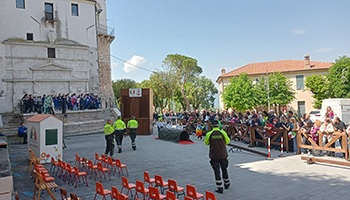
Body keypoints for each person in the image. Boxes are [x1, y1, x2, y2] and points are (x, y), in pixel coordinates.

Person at [204, 120, 230, 194]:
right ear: (218, 125)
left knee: (216, 171)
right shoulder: (223, 133)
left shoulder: (209, 134)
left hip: (214, 155)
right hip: (223, 154)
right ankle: (227, 184)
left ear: (212, 126)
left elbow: (206, 143)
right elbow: (227, 141)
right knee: (224, 169)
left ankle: (220, 187)